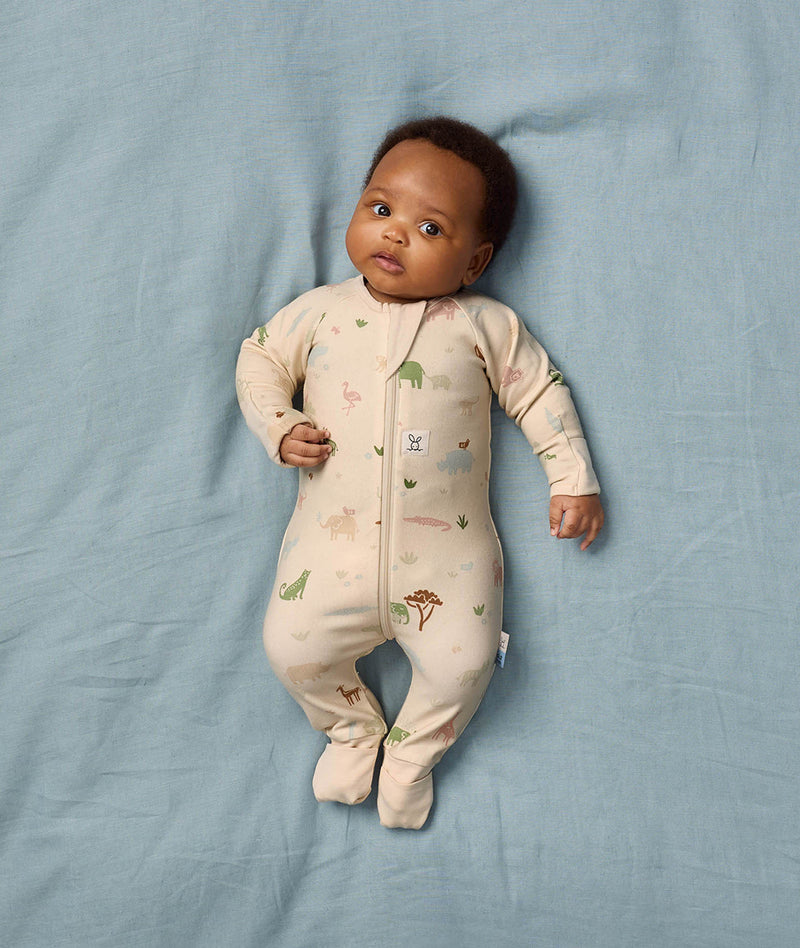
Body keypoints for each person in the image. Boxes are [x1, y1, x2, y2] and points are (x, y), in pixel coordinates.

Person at [236, 117, 604, 829]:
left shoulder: (485, 326)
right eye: (380, 209)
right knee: (289, 644)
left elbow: (538, 393)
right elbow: (259, 360)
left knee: (465, 664)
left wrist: (573, 479)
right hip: (328, 549)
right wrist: (280, 427)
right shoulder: (319, 314)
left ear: (475, 261)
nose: (396, 233)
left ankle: (408, 754)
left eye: (431, 228)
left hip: (449, 557)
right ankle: (351, 730)